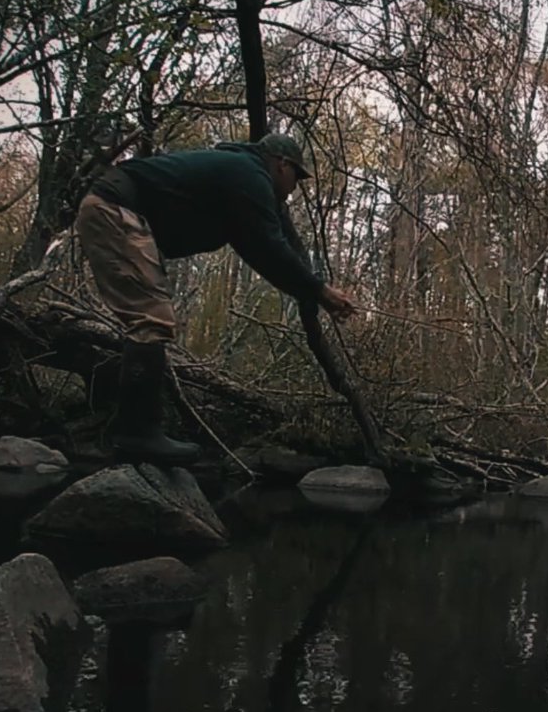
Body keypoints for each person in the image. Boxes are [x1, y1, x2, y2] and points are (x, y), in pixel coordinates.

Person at [76, 132, 357, 466]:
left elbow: (271, 251)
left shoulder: (243, 182)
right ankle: (135, 434)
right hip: (115, 208)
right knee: (151, 318)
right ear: (281, 165)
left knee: (149, 318)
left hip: (114, 207)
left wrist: (315, 292)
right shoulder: (248, 175)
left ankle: (121, 430)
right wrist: (320, 291)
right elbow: (271, 247)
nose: (296, 187)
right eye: (296, 176)